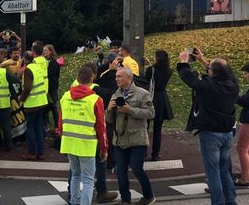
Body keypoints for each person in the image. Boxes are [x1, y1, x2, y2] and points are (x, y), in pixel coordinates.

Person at [178, 49, 239, 205]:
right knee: (224, 170)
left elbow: (190, 79)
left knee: (213, 172)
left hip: (211, 133)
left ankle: (218, 202)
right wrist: (204, 61)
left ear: (212, 73)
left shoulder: (209, 85)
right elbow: (224, 73)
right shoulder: (233, 84)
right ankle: (231, 201)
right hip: (227, 133)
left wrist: (184, 62)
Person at [59, 67, 109, 205]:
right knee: (87, 179)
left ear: (77, 78)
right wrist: (104, 148)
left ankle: (74, 201)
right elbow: (101, 127)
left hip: (69, 142)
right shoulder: (95, 99)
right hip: (86, 144)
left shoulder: (65, 96)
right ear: (92, 79)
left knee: (75, 175)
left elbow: (60, 122)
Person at [106, 68, 156, 205]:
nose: (116, 79)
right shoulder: (115, 95)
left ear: (129, 78)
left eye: (119, 76)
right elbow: (109, 120)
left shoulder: (142, 94)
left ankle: (148, 196)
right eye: (116, 76)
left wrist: (130, 110)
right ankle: (125, 200)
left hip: (137, 139)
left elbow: (151, 114)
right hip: (120, 139)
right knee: (120, 171)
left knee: (136, 168)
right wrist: (109, 109)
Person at [18, 43, 48, 160]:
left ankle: (31, 152)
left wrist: (21, 99)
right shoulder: (37, 67)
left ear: (25, 59)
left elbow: (27, 88)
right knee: (39, 127)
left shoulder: (28, 70)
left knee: (30, 128)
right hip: (41, 101)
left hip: (32, 103)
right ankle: (40, 152)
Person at [143, 50, 173, 161]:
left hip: (151, 98)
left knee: (144, 127)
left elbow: (147, 79)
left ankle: (143, 151)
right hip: (162, 99)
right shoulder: (168, 71)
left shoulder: (151, 70)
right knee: (157, 129)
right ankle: (155, 153)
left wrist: (149, 66)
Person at [44, 44, 60, 131]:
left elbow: (55, 75)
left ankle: (57, 126)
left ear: (50, 51)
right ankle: (46, 123)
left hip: (52, 87)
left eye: (46, 50)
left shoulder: (53, 63)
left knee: (53, 106)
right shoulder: (43, 62)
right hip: (45, 88)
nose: (44, 52)